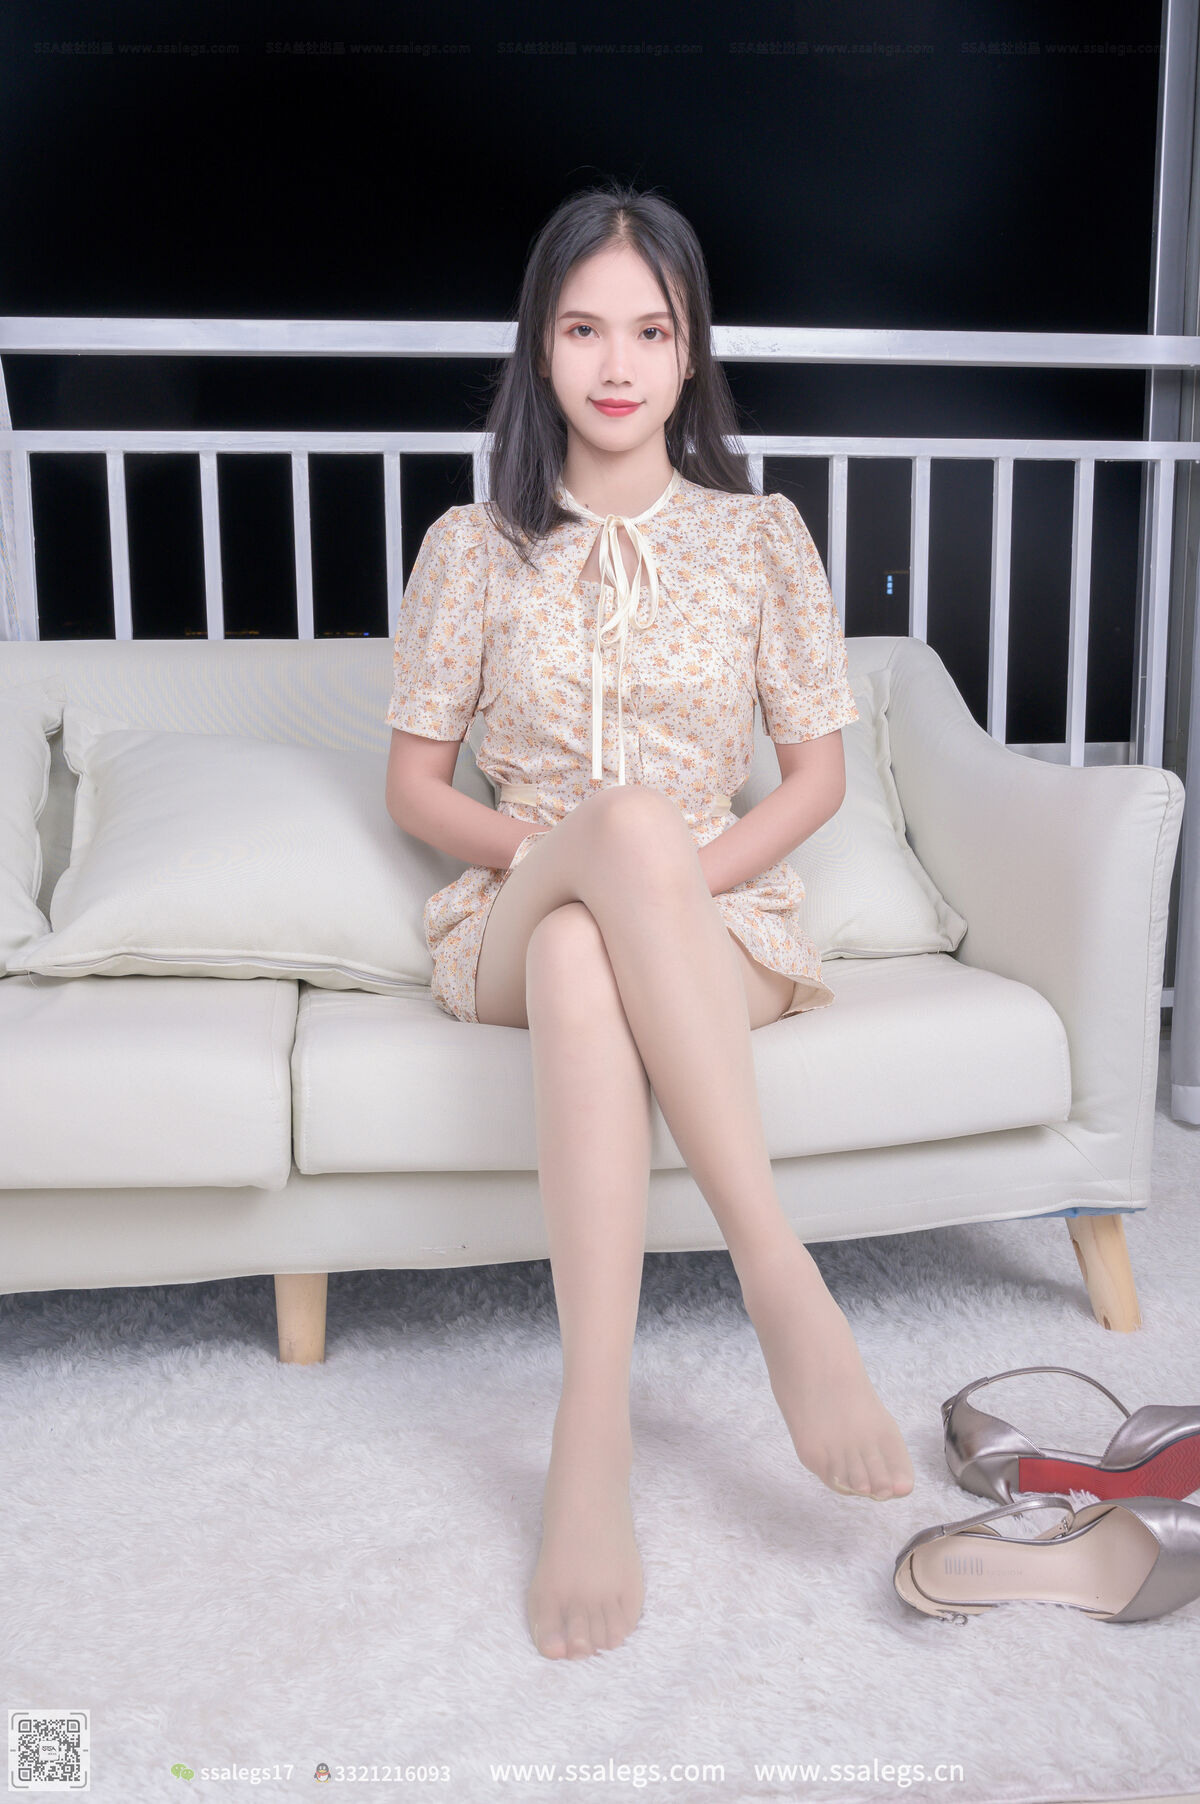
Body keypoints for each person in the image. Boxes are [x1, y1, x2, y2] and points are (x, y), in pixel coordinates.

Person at [384, 181, 915, 1663]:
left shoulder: (761, 538)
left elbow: (816, 780)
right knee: (593, 867)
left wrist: (670, 884)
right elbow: (414, 787)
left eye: (650, 331)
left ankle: (591, 1432)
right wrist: (583, 851)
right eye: (582, 329)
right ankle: (777, 1274)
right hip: (512, 903)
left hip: (717, 926)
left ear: (690, 356)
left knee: (593, 944)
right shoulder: (471, 544)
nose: (615, 363)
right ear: (539, 349)